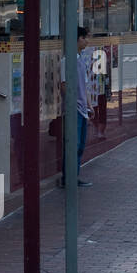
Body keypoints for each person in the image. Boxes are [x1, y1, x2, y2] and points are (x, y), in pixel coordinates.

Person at [58, 26, 94, 187]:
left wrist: (89, 105)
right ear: (77, 39)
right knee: (74, 144)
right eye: (85, 37)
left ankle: (74, 175)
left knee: (80, 145)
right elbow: (64, 85)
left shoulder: (81, 59)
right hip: (73, 110)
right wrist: (72, 104)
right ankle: (68, 178)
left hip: (82, 109)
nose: (87, 41)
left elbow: (84, 85)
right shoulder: (67, 60)